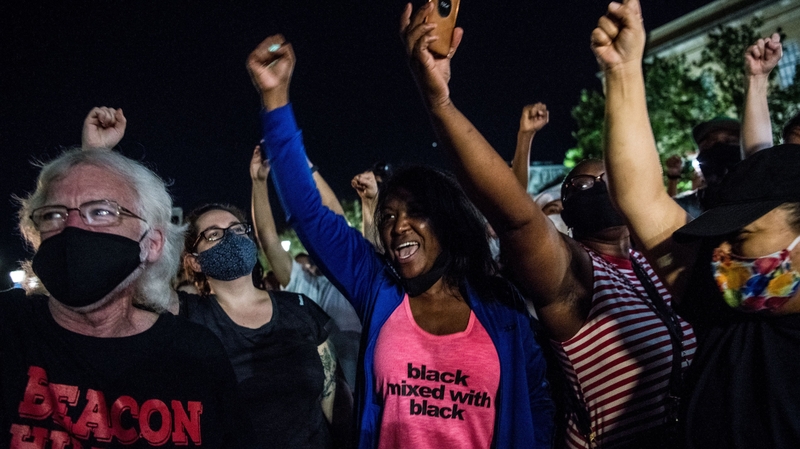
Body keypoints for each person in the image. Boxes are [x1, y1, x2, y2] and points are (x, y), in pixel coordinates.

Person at [401, 2, 696, 448]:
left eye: (606, 179)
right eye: (582, 184)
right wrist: (440, 104)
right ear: (566, 209)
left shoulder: (662, 261)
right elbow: (516, 217)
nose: (597, 187)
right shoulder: (577, 276)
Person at [248, 33, 554, 448]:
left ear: (447, 223)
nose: (397, 226)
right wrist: (275, 100)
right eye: (389, 216)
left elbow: (535, 398)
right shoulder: (378, 288)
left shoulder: (501, 305)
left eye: (415, 212)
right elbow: (309, 214)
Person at [593, 0, 800, 447]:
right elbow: (641, 200)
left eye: (743, 238)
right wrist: (623, 71)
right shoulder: (719, 300)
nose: (723, 257)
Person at [3, 147, 251, 448]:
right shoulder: (10, 329)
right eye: (54, 214)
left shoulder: (196, 354)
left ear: (152, 244)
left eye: (102, 212)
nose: (73, 227)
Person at [179, 201, 345, 448]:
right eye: (214, 234)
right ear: (195, 262)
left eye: (237, 230)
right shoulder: (187, 317)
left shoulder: (299, 307)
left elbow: (335, 402)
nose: (230, 239)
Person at [250, 146, 362, 389]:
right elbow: (268, 239)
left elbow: (336, 216)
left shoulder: (357, 277)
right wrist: (259, 181)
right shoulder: (305, 283)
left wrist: (303, 164)